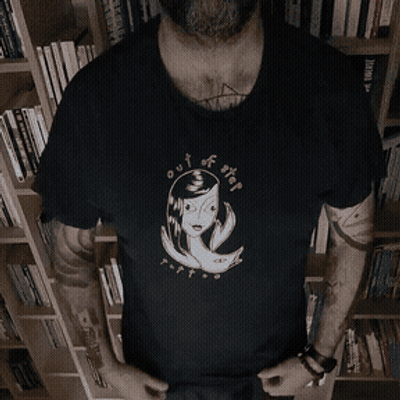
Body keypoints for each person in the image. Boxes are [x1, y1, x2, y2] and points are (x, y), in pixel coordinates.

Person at [36, 1, 386, 400]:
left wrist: (318, 357)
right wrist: (108, 369)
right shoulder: (93, 102)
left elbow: (353, 234)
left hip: (272, 380)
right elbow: (72, 255)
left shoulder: (330, 87)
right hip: (156, 383)